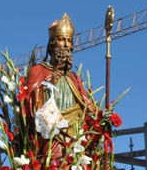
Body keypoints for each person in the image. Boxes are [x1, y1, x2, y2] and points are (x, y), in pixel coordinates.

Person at [24, 13, 94, 159]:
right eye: (62, 39)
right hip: (52, 137)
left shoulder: (74, 77)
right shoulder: (38, 71)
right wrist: (50, 83)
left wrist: (101, 116)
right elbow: (28, 106)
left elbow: (86, 105)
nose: (67, 44)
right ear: (52, 43)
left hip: (74, 139)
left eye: (69, 40)